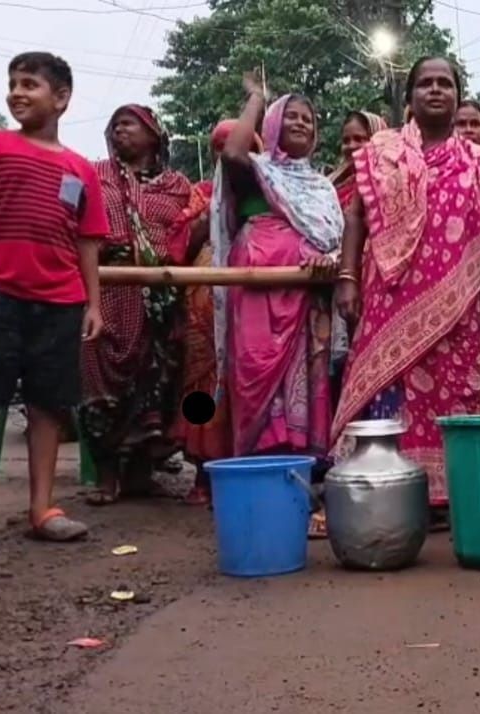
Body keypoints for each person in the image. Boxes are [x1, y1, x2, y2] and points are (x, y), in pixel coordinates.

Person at [0, 52, 107, 548]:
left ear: (60, 98)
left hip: (60, 303)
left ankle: (42, 508)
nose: (16, 92)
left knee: (48, 408)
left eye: (30, 84)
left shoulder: (82, 169)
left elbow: (88, 244)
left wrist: (94, 304)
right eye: (12, 83)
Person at [333, 57, 480, 520]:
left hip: (458, 305)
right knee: (386, 392)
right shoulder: (381, 151)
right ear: (409, 97)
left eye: (445, 83)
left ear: (458, 94)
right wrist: (348, 278)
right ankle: (380, 490)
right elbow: (356, 218)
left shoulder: (477, 159)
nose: (435, 90)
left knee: (454, 396)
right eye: (425, 84)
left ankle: (443, 498)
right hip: (388, 298)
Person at [79, 105, 203, 505]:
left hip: (161, 300)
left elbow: (191, 232)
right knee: (99, 380)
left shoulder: (179, 186)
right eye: (114, 125)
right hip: (105, 292)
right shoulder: (91, 175)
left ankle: (140, 473)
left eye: (128, 124)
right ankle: (107, 476)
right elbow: (68, 215)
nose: (119, 131)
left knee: (159, 382)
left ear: (153, 134)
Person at [216, 76, 341, 464]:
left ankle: (304, 469)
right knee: (255, 369)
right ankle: (258, 467)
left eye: (309, 119)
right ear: (271, 125)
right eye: (291, 117)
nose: (302, 123)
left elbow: (335, 240)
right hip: (256, 284)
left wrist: (327, 259)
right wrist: (256, 99)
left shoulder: (322, 187)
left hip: (307, 293)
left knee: (307, 375)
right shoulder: (257, 169)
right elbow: (233, 153)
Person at [171, 119, 257, 507]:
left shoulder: (265, 188)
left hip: (250, 304)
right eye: (220, 149)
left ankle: (244, 470)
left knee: (245, 384)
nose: (228, 156)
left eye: (235, 147)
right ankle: (203, 475)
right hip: (203, 310)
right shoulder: (201, 195)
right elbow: (178, 248)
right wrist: (209, 217)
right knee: (203, 387)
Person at [327, 110, 387, 401]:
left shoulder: (388, 182)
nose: (351, 146)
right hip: (334, 292)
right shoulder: (328, 187)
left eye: (360, 139)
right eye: (346, 140)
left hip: (379, 292)